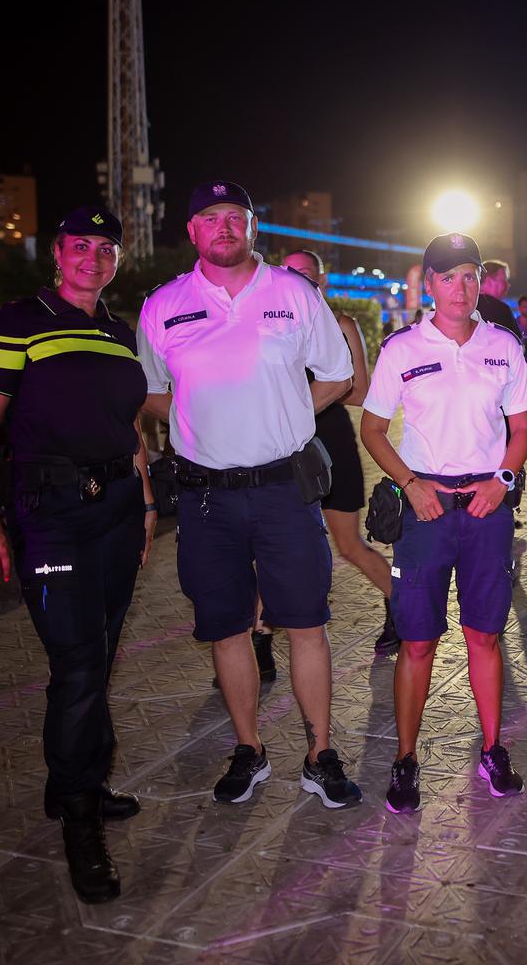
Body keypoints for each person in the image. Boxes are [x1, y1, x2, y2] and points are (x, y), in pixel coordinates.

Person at [136, 181, 363, 809]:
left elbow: (339, 375)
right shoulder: (163, 305)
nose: (224, 227)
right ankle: (249, 748)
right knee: (228, 627)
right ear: (192, 230)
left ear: (252, 226)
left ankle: (320, 755)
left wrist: (286, 411)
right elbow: (151, 390)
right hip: (207, 498)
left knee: (307, 624)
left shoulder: (293, 294)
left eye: (235, 216)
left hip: (284, 490)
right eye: (210, 217)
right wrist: (200, 419)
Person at [0, 205, 157, 904]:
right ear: (57, 252)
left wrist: (146, 505)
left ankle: (75, 783)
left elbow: (129, 427)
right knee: (77, 664)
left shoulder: (119, 333)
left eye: (106, 248)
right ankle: (79, 821)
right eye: (81, 245)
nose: (92, 258)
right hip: (52, 514)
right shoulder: (21, 320)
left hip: (118, 508)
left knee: (96, 656)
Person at [359, 233, 527, 812]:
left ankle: (492, 748)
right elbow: (373, 429)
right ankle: (406, 758)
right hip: (425, 511)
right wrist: (411, 486)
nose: (461, 288)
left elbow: (522, 428)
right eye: (448, 277)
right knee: (417, 641)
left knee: (484, 635)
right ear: (429, 283)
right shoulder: (402, 348)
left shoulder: (503, 345)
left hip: (486, 509)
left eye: (470, 275)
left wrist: (502, 481)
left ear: (480, 280)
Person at [281, 248, 397, 658]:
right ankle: (259, 640)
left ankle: (401, 607)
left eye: (305, 274)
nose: (297, 281)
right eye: (289, 274)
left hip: (331, 441)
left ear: (322, 280)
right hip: (283, 445)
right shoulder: (271, 325)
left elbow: (361, 391)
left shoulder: (341, 323)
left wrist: (306, 396)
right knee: (276, 548)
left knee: (349, 545)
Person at [477, 259, 523, 340]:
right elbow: (517, 342)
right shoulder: (502, 310)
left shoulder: (467, 306)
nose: (508, 285)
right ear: (489, 281)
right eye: (504, 280)